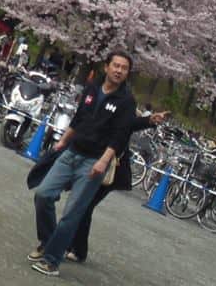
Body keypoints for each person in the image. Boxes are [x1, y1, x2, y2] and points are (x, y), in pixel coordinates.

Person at [28, 50, 136, 277]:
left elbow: (120, 136)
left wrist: (103, 161)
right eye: (116, 65)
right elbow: (78, 118)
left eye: (124, 68)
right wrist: (62, 142)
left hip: (94, 162)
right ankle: (49, 241)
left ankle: (51, 260)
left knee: (72, 212)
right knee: (43, 194)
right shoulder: (92, 88)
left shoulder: (126, 101)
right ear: (106, 67)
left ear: (127, 73)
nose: (119, 71)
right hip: (72, 152)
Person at [63, 109, 169, 263]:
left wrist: (149, 120)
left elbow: (130, 123)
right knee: (80, 204)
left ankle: (75, 248)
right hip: (90, 161)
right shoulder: (100, 101)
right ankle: (72, 246)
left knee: (84, 205)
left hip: (111, 169)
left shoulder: (122, 104)